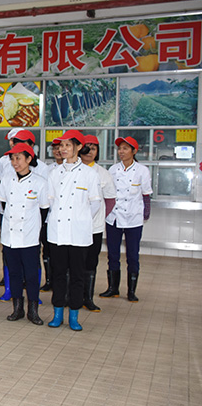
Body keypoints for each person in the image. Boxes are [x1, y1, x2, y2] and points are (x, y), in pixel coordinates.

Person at [46, 130, 102, 331]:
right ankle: (57, 313)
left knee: (78, 276)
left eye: (68, 145)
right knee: (58, 274)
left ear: (78, 147)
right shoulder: (54, 173)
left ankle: (74, 316)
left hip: (79, 233)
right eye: (61, 145)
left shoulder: (89, 174)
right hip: (58, 232)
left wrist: (81, 219)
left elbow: (95, 204)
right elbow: (51, 202)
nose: (63, 149)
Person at [0, 143, 49, 325]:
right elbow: (4, 204)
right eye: (12, 158)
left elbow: (43, 210)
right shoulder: (6, 180)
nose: (14, 162)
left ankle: (33, 311)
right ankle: (17, 309)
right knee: (14, 273)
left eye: (18, 158)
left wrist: (33, 228)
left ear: (28, 159)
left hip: (29, 237)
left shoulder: (40, 182)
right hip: (10, 236)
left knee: (31, 275)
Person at [101, 136, 152, 302]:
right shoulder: (113, 169)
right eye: (119, 148)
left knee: (132, 255)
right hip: (114, 218)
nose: (121, 152)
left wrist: (146, 214)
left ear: (134, 151)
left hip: (133, 218)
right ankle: (113, 288)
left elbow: (146, 195)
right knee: (113, 254)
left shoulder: (142, 170)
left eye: (125, 148)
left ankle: (131, 291)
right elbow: (108, 194)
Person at [78, 134, 117, 311]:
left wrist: (98, 216)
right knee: (73, 262)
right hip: (73, 227)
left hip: (94, 227)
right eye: (87, 147)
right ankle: (72, 297)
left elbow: (110, 199)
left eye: (94, 148)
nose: (90, 151)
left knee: (91, 262)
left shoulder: (103, 173)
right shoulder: (72, 170)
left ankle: (87, 298)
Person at [41, 139, 65, 293]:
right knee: (47, 249)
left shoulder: (72, 170)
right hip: (48, 216)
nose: (58, 151)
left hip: (65, 218)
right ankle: (49, 280)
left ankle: (61, 282)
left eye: (60, 148)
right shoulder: (47, 169)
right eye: (55, 148)